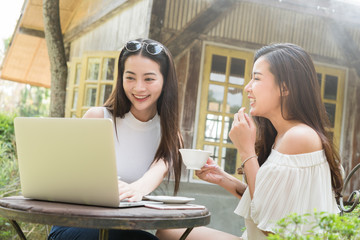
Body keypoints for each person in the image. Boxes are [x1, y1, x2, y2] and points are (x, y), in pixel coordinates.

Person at [156, 43, 343, 240]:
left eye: (256, 78)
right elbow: (268, 199)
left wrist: (246, 150)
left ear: (285, 87)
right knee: (166, 230)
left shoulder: (300, 137)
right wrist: (222, 178)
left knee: (168, 233)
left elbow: (269, 222)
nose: (247, 88)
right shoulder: (284, 135)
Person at [48, 38, 183, 240]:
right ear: (121, 79)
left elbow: (152, 177)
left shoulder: (170, 135)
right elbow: (64, 174)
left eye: (149, 79)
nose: (138, 88)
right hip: (75, 226)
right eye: (130, 77)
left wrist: (133, 190)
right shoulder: (98, 118)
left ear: (165, 82)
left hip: (123, 229)